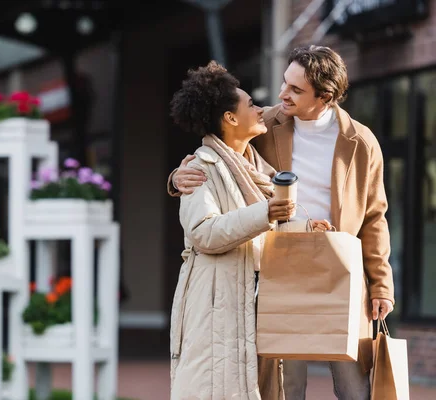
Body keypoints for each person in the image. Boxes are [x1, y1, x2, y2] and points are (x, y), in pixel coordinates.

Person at [168, 45, 395, 400]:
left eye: (295, 89)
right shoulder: (265, 125)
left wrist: (381, 285)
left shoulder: (360, 143)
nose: (281, 95)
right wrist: (176, 178)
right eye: (284, 82)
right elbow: (221, 159)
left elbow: (373, 217)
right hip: (279, 270)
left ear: (325, 96)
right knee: (286, 385)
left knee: (354, 385)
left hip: (341, 270)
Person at [168, 60, 332, 400]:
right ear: (230, 118)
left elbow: (264, 233)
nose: (260, 109)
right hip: (216, 302)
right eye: (251, 105)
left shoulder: (258, 170)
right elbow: (205, 232)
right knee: (217, 388)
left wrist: (304, 227)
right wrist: (266, 213)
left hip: (254, 299)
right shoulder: (201, 167)